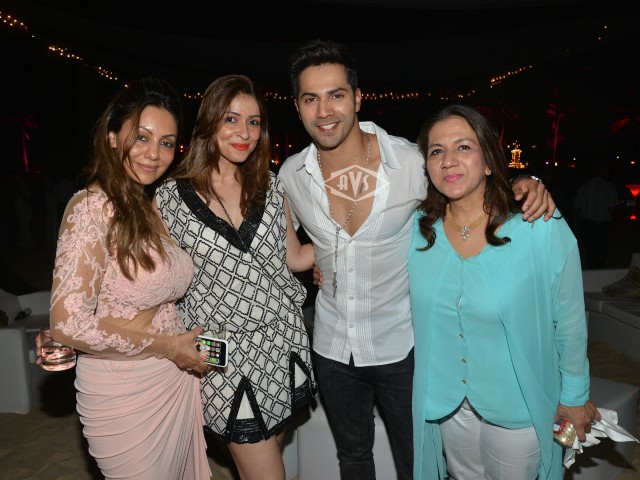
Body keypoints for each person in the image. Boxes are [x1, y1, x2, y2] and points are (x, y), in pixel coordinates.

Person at [278, 39, 555, 480]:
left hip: (403, 346)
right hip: (331, 347)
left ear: (357, 98)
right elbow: (300, 248)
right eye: (311, 98)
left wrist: (527, 181)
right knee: (352, 457)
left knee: (419, 462)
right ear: (297, 107)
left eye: (336, 95)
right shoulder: (291, 174)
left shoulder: (410, 162)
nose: (324, 110)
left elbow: (468, 191)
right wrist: (323, 261)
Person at [409, 104, 600, 480]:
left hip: (518, 404)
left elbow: (570, 320)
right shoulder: (415, 230)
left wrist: (575, 396)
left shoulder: (539, 225)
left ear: (488, 161)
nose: (449, 160)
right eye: (436, 151)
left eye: (464, 147)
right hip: (448, 401)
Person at [46, 77, 212, 479]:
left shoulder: (147, 206)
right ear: (112, 137)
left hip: (172, 381)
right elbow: (69, 324)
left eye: (167, 143)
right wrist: (170, 346)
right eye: (142, 137)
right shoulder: (91, 208)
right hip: (125, 394)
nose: (154, 154)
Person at [154, 74, 317, 480]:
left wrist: (349, 243)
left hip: (281, 339)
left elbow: (294, 256)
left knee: (266, 457)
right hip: (219, 355)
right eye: (231, 119)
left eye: (254, 122)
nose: (244, 133)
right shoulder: (169, 197)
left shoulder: (271, 185)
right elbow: (155, 280)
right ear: (209, 122)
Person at [573, 162, 619, 268]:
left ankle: (591, 270)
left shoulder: (583, 187)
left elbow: (576, 208)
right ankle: (599, 270)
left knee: (589, 251)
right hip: (603, 224)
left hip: (587, 224)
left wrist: (575, 225)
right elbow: (612, 208)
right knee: (602, 251)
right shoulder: (610, 187)